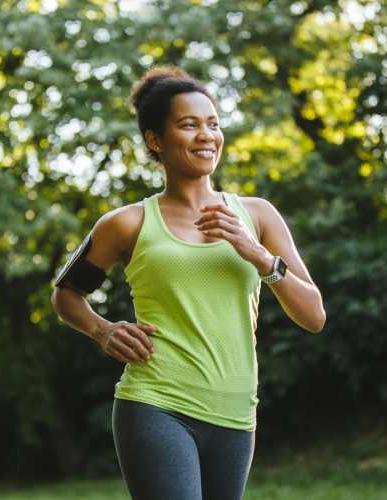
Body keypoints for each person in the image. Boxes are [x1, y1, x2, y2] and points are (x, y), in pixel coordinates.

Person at [51, 65, 326, 500]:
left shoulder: (257, 216)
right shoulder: (126, 223)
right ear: (154, 140)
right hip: (156, 403)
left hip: (236, 412)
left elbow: (313, 315)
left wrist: (255, 252)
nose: (206, 135)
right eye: (189, 125)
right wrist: (102, 330)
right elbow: (67, 295)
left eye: (213, 124)